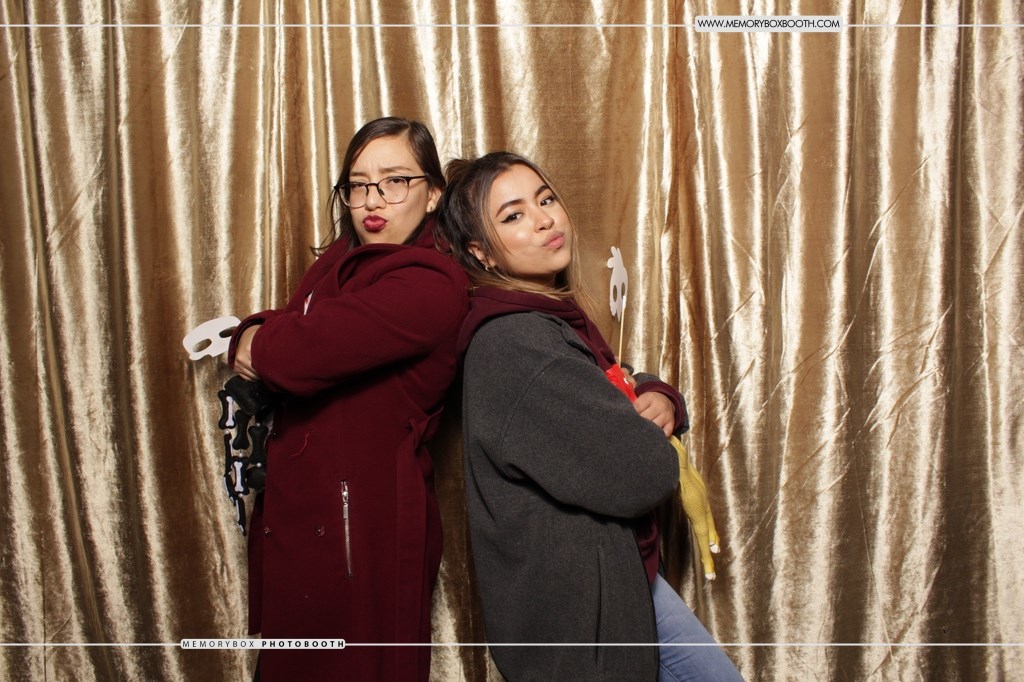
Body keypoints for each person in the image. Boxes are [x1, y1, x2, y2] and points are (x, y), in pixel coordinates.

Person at [436, 152, 743, 681]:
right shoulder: (517, 343)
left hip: (619, 581)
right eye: (513, 215)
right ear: (480, 252)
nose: (544, 219)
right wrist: (646, 430)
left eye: (546, 199)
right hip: (582, 616)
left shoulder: (546, 321)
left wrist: (660, 395)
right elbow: (640, 472)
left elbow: (610, 381)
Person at [228, 117, 469, 681]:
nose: (373, 200)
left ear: (433, 193)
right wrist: (256, 332)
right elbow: (290, 331)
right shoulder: (336, 264)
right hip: (303, 516)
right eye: (358, 185)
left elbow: (296, 352)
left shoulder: (431, 283)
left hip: (363, 528)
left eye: (395, 181)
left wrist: (257, 336)